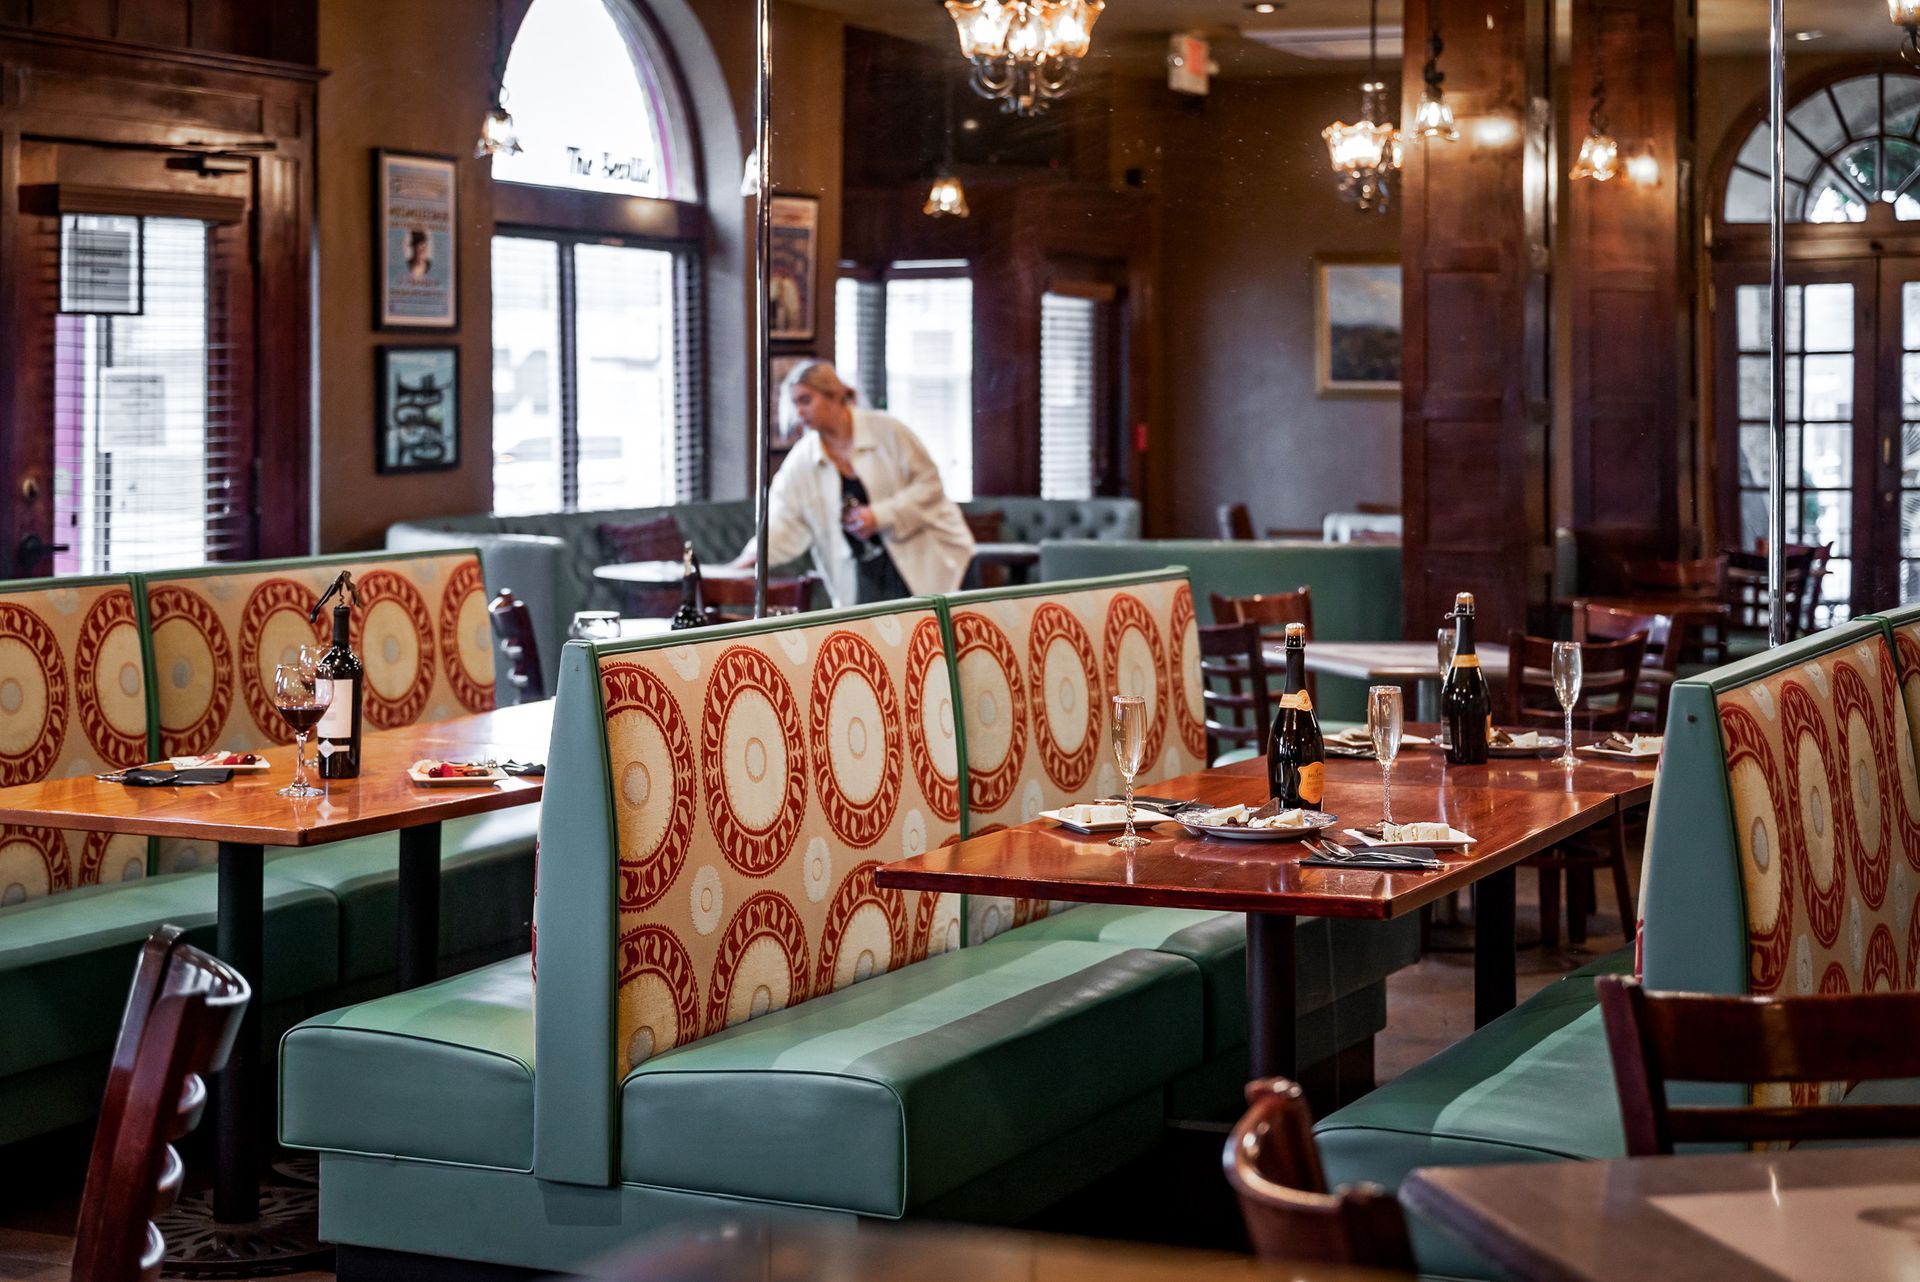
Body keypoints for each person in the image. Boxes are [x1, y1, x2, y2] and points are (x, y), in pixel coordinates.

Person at [738, 361, 975, 607]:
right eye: (794, 403)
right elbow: (784, 519)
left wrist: (879, 516)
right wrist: (751, 558)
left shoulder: (888, 431)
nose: (799, 411)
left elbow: (930, 486)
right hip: (865, 572)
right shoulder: (802, 460)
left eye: (805, 400)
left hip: (930, 560)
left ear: (834, 395)